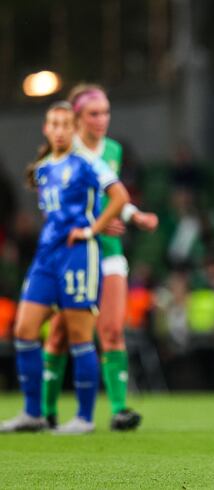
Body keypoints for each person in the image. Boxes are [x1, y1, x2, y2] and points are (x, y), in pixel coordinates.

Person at [0, 101, 130, 433]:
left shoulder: (89, 163)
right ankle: (33, 413)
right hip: (47, 256)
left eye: (65, 125)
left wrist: (92, 229)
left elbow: (119, 197)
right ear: (46, 128)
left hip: (79, 255)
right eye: (53, 124)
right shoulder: (43, 168)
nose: (59, 130)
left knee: (79, 337)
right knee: (24, 331)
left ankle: (84, 418)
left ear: (74, 130)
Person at [41, 84, 158, 431]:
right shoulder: (63, 152)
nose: (102, 119)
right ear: (77, 117)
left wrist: (133, 216)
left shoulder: (113, 150)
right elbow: (56, 208)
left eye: (106, 112)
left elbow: (109, 198)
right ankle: (45, 410)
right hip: (74, 252)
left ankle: (120, 408)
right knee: (60, 333)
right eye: (94, 113)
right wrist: (94, 226)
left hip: (108, 253)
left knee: (111, 329)